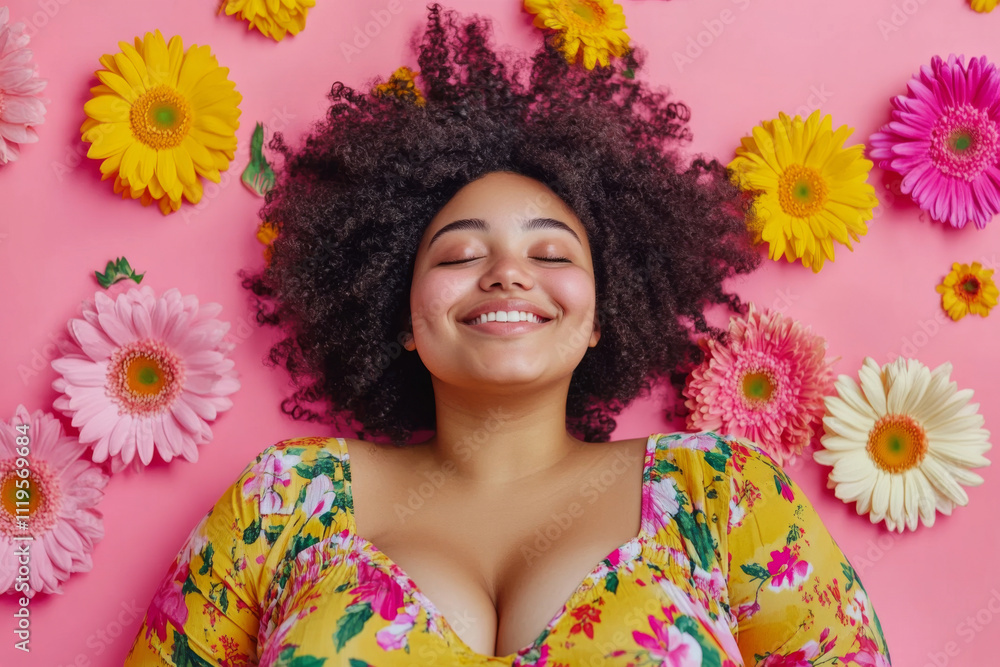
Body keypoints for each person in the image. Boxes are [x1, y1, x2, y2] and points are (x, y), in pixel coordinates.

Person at [125, 3, 892, 665]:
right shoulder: (284, 502)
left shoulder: (723, 494)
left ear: (600, 317)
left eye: (551, 253)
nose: (506, 273)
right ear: (397, 314)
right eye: (460, 252)